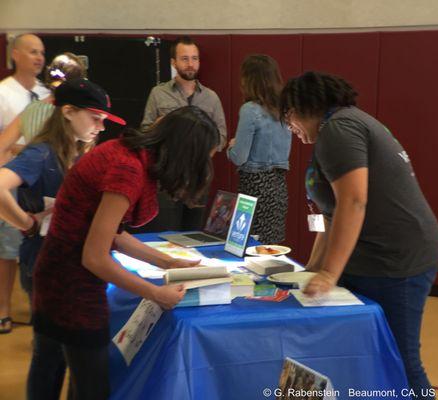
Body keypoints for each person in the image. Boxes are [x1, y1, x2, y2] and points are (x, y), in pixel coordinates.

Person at [32, 105, 220, 400]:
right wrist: (155, 293)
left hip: (57, 274)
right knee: (89, 385)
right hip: (69, 285)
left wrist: (166, 261)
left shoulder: (128, 154)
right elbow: (94, 256)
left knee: (55, 370)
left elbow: (113, 234)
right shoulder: (128, 171)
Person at [280, 71, 438, 400]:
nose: (289, 128)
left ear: (301, 106)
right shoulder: (340, 128)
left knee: (399, 358)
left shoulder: (339, 130)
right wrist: (313, 266)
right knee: (352, 348)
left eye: (287, 118)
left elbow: (354, 201)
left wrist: (329, 272)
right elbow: (331, 212)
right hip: (372, 259)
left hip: (396, 261)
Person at [0, 77, 108, 399]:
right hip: (45, 262)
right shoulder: (43, 153)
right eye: (95, 118)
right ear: (68, 112)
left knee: (60, 355)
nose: (100, 127)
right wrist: (27, 224)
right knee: (50, 356)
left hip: (67, 263)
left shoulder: (76, 151)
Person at [139, 36, 227, 232]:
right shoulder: (158, 93)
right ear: (174, 62)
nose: (191, 64)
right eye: (185, 58)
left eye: (195, 58)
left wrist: (200, 157)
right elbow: (145, 133)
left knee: (193, 235)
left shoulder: (211, 97)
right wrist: (160, 125)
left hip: (199, 178)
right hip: (166, 177)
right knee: (165, 234)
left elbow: (221, 137)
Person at [0, 33, 49, 334]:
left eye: (42, 52)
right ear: (15, 54)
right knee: (7, 248)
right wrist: (19, 151)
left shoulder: (47, 94)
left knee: (37, 241)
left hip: (40, 181)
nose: (39, 58)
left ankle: (38, 307)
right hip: (10, 177)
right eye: (32, 51)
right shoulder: (4, 93)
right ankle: (3, 308)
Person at [227, 54, 291, 244]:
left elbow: (239, 157)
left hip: (254, 186)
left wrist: (231, 147)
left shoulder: (250, 109)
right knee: (270, 248)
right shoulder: (284, 109)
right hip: (278, 186)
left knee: (247, 244)